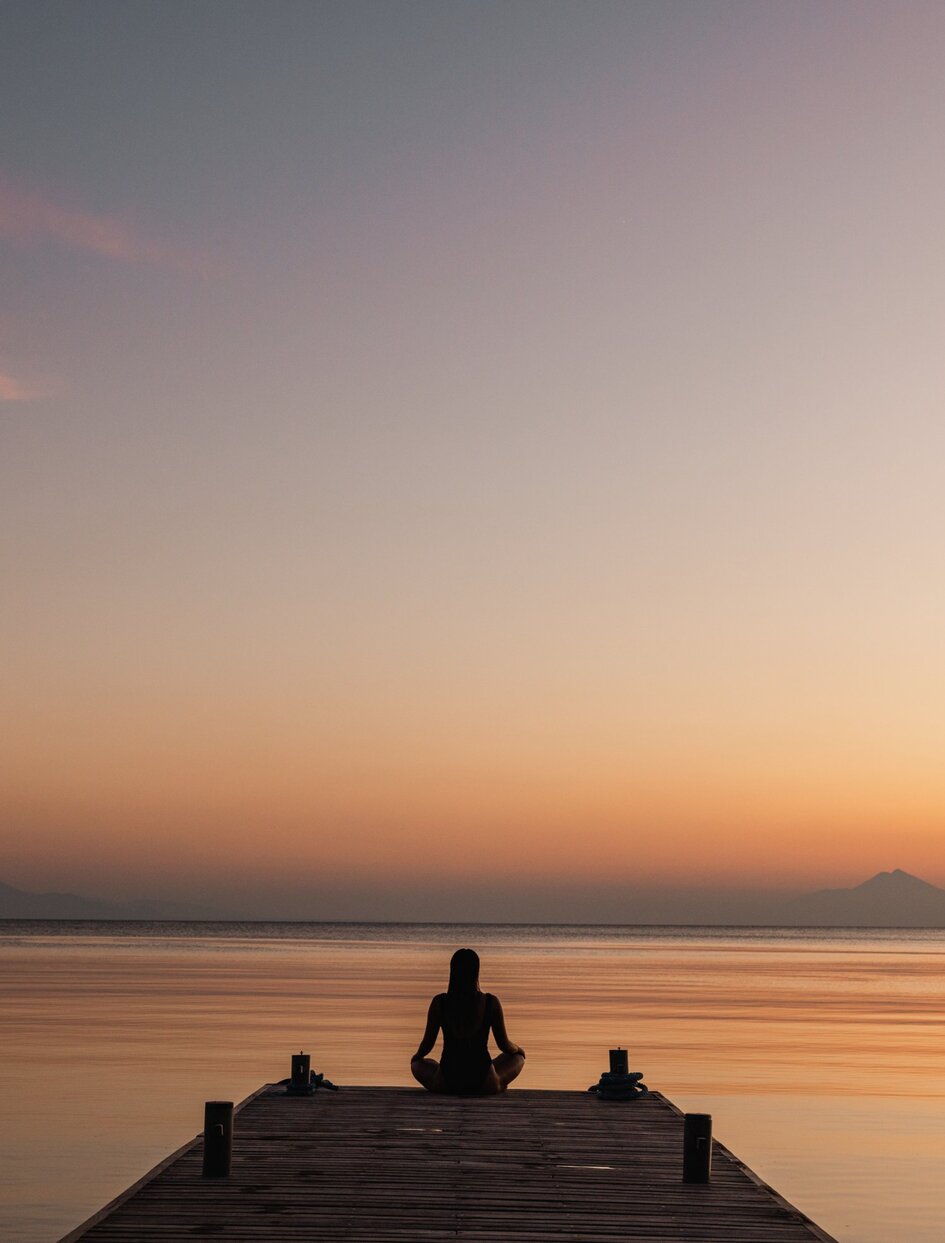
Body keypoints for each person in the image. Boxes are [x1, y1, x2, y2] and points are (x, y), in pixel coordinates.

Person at [410, 947, 526, 1095]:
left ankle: (441, 1080)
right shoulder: (490, 1002)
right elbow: (505, 1045)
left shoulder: (440, 1002)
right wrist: (519, 1050)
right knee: (517, 1058)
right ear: (476, 972)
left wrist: (417, 1057)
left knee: (417, 1064)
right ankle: (497, 1083)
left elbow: (427, 1045)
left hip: (447, 1081)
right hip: (484, 1082)